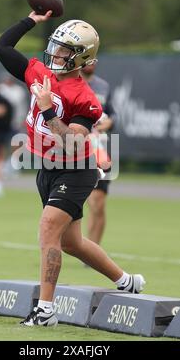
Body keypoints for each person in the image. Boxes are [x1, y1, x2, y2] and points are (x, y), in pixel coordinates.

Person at [0, 10, 145, 327]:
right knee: (71, 243)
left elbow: (73, 143)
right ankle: (126, 281)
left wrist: (48, 110)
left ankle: (46, 311)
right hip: (47, 168)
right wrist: (31, 20)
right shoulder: (39, 72)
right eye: (56, 46)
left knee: (48, 228)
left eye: (65, 50)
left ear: (80, 57)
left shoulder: (85, 97)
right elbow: (2, 48)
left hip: (77, 169)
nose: (56, 53)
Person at [81, 63, 115, 245]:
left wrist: (109, 122)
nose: (91, 63)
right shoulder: (68, 84)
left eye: (94, 59)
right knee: (86, 202)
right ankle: (82, 246)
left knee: (98, 204)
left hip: (100, 150)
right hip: (77, 151)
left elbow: (111, 114)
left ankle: (93, 250)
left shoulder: (103, 86)